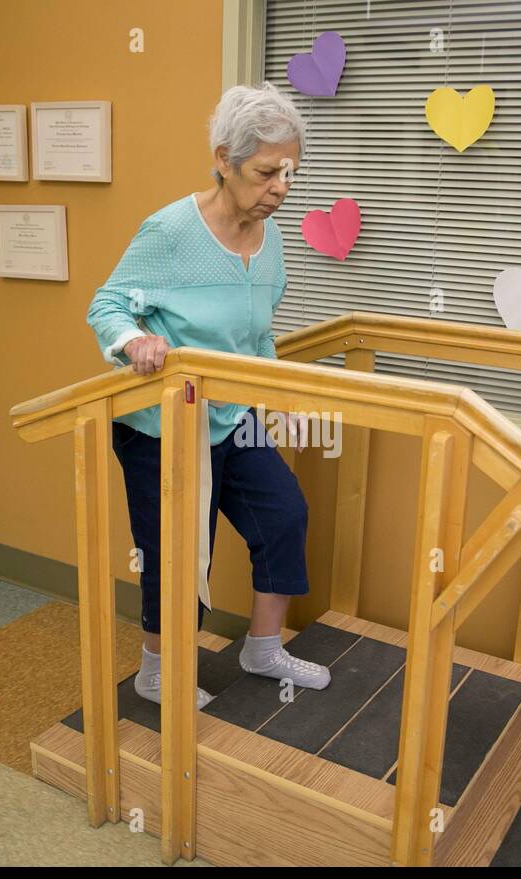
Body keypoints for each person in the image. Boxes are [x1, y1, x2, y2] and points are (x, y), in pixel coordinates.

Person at [86, 81, 331, 709]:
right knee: (175, 550)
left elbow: (257, 333)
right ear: (224, 159)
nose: (281, 186)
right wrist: (133, 341)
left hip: (234, 411)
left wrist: (281, 398)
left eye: (289, 171)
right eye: (266, 171)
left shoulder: (270, 236)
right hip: (164, 423)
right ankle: (156, 671)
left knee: (283, 513)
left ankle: (262, 648)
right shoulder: (170, 233)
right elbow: (107, 306)